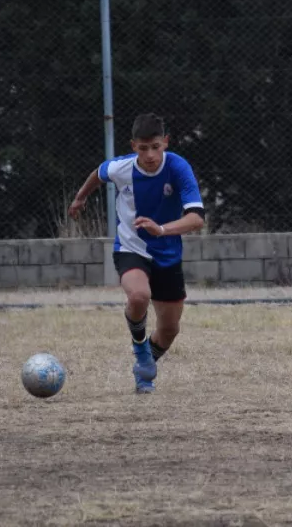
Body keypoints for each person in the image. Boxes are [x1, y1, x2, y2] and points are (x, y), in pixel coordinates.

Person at [69, 113, 204, 393]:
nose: (150, 155)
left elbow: (196, 218)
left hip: (167, 254)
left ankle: (144, 370)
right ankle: (141, 351)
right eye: (143, 148)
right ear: (133, 147)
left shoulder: (178, 167)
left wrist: (161, 229)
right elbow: (99, 173)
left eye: (156, 147)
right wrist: (80, 198)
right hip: (131, 248)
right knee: (139, 296)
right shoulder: (122, 168)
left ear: (165, 142)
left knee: (170, 329)